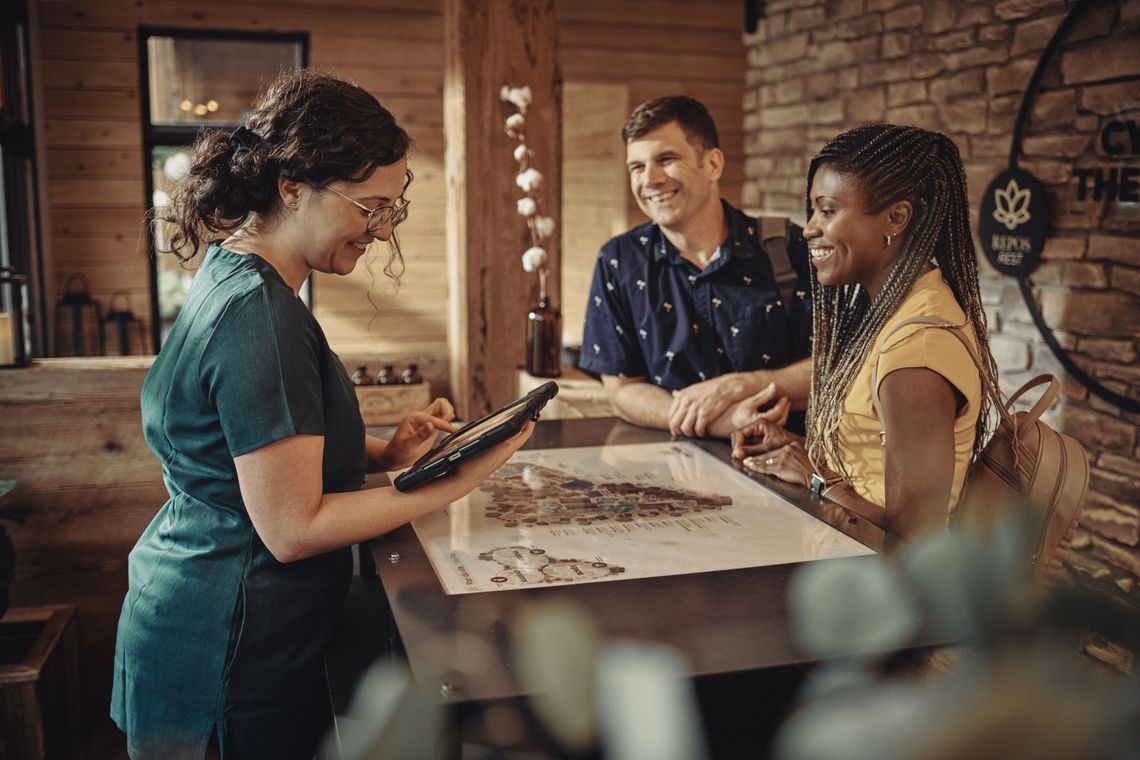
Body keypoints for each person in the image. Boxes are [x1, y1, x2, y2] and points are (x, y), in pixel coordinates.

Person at [111, 70, 533, 759]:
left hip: (201, 615)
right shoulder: (262, 318)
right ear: (292, 187)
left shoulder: (234, 275)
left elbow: (244, 440)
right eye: (370, 206)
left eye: (392, 210)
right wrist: (453, 481)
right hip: (229, 644)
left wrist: (378, 453)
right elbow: (292, 528)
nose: (381, 229)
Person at [732, 124, 999, 539]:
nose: (808, 228)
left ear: (895, 218)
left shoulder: (918, 352)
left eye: (828, 210)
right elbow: (869, 463)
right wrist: (793, 447)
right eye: (813, 210)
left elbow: (914, 534)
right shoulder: (891, 313)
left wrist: (816, 476)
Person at [579, 96, 813, 439]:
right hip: (669, 475)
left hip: (789, 470)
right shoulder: (618, 260)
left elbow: (839, 368)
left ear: (713, 165)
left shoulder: (788, 248)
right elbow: (622, 389)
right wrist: (722, 423)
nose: (650, 179)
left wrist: (746, 385)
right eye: (637, 167)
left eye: (667, 159)